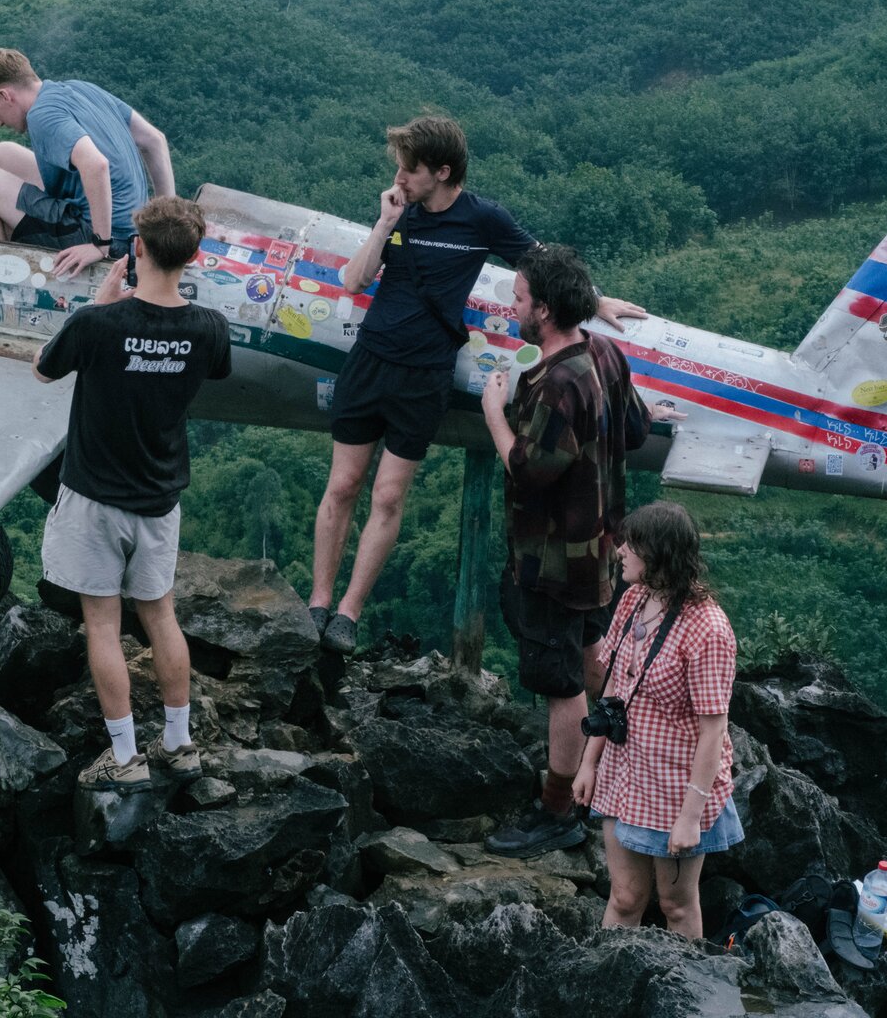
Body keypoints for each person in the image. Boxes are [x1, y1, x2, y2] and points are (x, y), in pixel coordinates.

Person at [307, 113, 646, 654]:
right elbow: (354, 280)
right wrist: (384, 222)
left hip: (425, 372)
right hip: (371, 359)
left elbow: (541, 263)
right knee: (343, 486)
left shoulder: (482, 219)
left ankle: (349, 611)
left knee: (388, 495)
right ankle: (318, 602)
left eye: (409, 170)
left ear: (442, 172)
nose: (399, 178)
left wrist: (595, 301)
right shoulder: (400, 213)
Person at [32, 196, 231, 792]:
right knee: (161, 614)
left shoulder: (97, 325)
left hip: (95, 495)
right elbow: (214, 370)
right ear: (194, 257)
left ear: (135, 249)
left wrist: (98, 304)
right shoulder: (208, 329)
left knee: (102, 622)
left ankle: (124, 754)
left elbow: (44, 369)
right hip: (159, 497)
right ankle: (179, 742)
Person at [478, 245, 622, 860]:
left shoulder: (560, 383)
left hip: (555, 562)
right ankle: (608, 763)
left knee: (561, 683)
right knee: (590, 652)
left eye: (517, 299)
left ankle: (558, 810)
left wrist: (494, 411)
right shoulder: (607, 354)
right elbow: (636, 429)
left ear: (543, 309)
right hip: (602, 551)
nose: (510, 306)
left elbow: (527, 469)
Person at [574, 500, 741, 939]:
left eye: (633, 543)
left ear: (660, 554)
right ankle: (603, 984)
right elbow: (614, 690)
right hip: (625, 772)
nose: (620, 550)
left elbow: (713, 731)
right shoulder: (633, 599)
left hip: (675, 786)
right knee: (625, 896)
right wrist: (590, 762)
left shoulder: (708, 628)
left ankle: (689, 997)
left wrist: (690, 815)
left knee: (677, 905)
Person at [0, 48, 177, 279]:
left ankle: (2, 272)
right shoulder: (80, 89)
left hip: (109, 240)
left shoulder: (41, 115)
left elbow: (96, 164)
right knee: (2, 154)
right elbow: (154, 140)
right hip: (131, 230)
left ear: (5, 95)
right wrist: (165, 221)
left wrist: (100, 244)